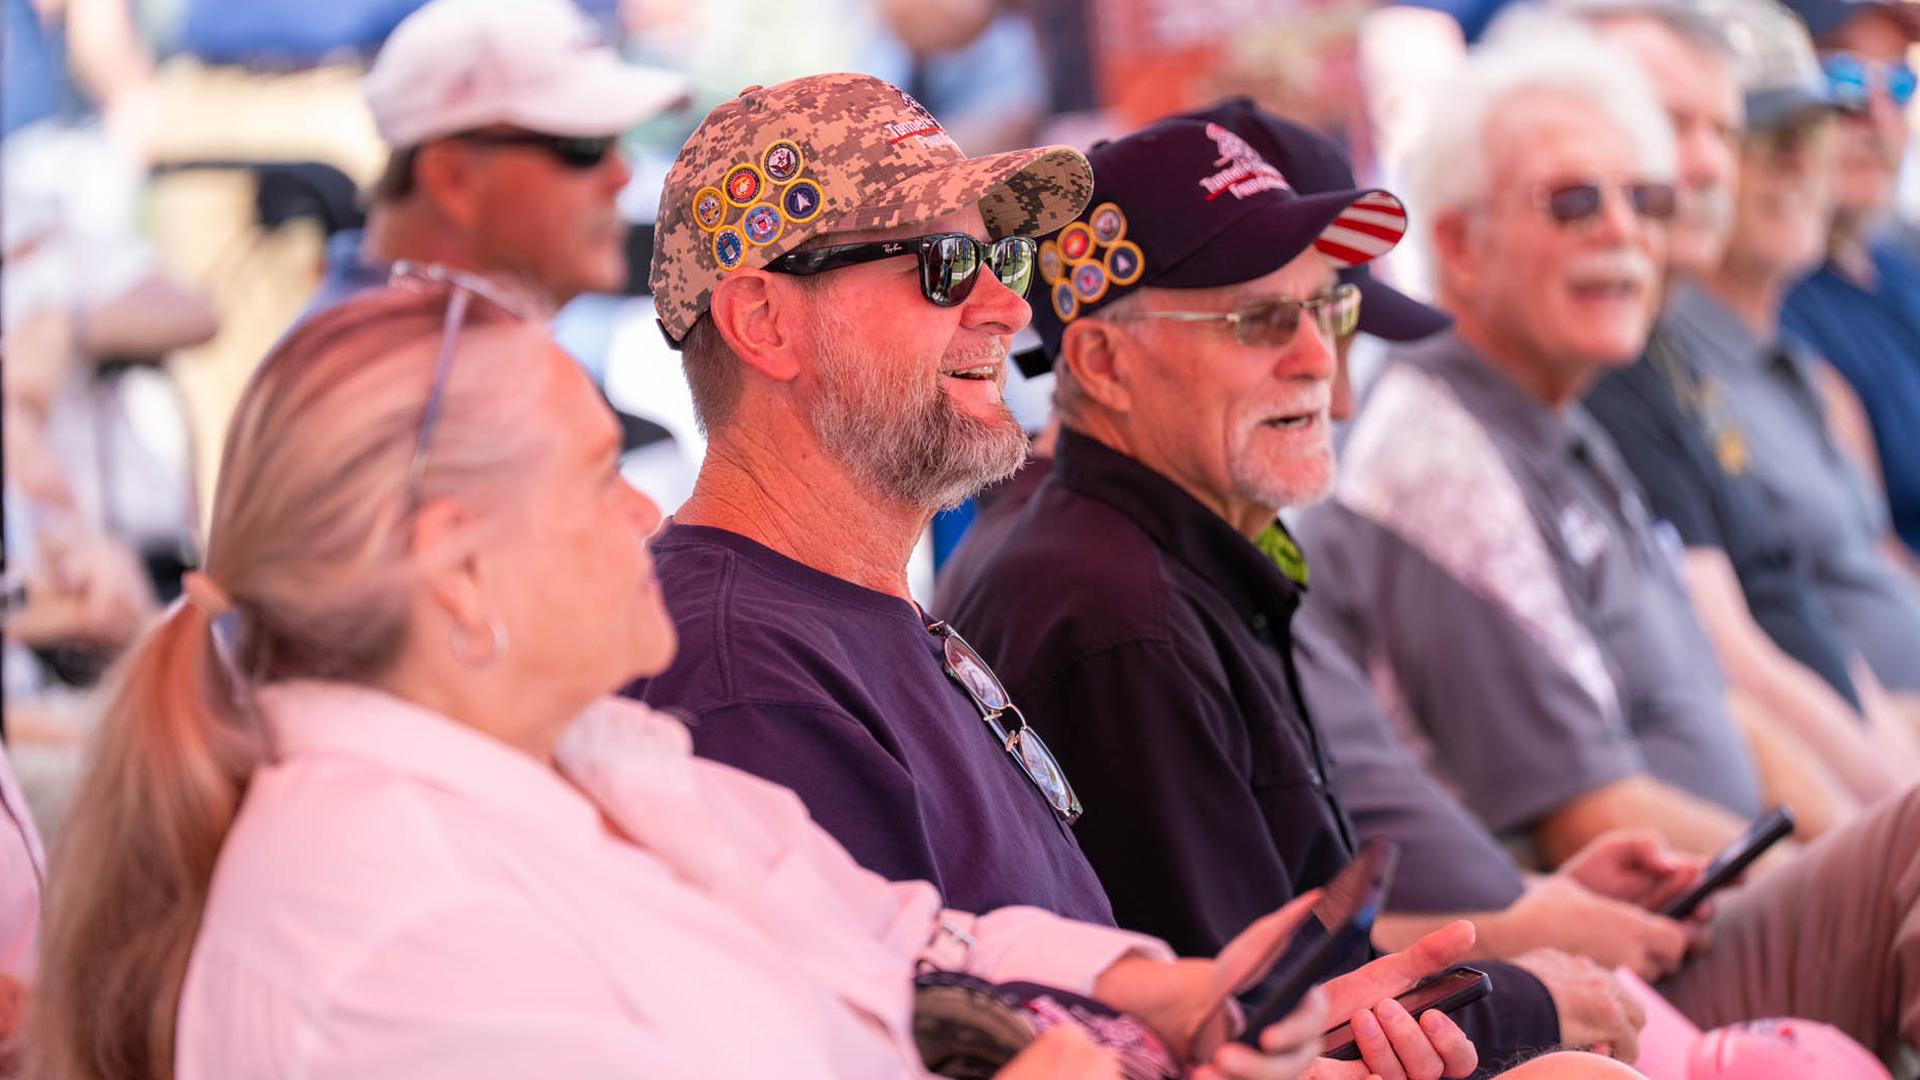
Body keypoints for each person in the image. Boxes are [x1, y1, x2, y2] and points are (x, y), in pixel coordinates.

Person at [20, 280, 1404, 1080]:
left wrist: (1145, 988)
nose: (643, 515)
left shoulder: (594, 763)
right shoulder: (399, 917)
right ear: (458, 571)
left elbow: (892, 930)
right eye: (592, 481)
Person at [628, 72, 1639, 1080]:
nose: (1006, 303)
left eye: (1001, 256)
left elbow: (1009, 1008)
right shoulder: (740, 678)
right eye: (944, 264)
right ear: (765, 322)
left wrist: (1282, 1029)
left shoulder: (844, 617)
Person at [937, 101, 1648, 1070]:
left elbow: (1304, 970)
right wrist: (1531, 1001)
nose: (1321, 363)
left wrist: (1525, 964)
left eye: (1328, 311)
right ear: (1103, 363)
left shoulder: (1171, 564)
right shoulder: (1116, 613)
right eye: (1262, 320)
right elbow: (1245, 1025)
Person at [1294, 29, 1920, 1058]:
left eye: (1648, 200)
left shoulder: (1559, 408)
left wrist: (1838, 850)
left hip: (1703, 911)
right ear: (1461, 247)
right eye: (1574, 202)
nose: (1624, 232)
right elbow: (1586, 814)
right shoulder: (1438, 452)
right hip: (1626, 970)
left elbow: (1715, 695)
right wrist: (1830, 876)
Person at [1564, 0, 1920, 811]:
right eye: (1765, 138)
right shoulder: (1619, 363)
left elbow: (1816, 609)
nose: (1705, 164)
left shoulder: (1751, 363)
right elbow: (1732, 659)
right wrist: (1890, 827)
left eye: (1724, 133)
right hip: (1789, 814)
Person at [304, 0, 690, 316]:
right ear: (453, 178)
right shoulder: (415, 375)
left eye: (617, 141)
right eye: (585, 146)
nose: (621, 175)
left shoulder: (386, 339)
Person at [1778, 0, 1920, 558]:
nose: (1878, 116)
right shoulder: (1772, 295)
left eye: (1901, 83)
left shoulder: (1896, 266)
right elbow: (1865, 557)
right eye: (1845, 80)